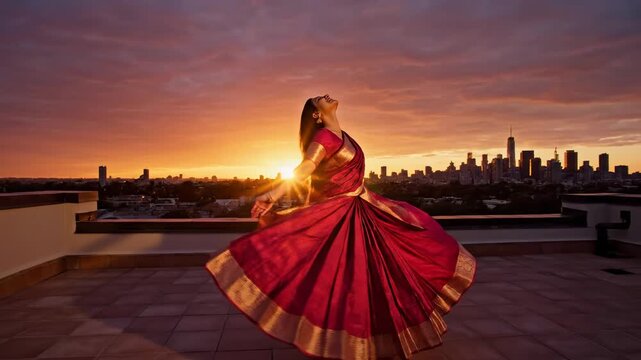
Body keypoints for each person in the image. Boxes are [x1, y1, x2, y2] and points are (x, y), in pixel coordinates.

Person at [204, 94, 477, 359]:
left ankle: (367, 342)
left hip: (364, 208)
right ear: (316, 114)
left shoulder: (346, 137)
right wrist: (272, 194)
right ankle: (351, 343)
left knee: (378, 275)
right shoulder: (324, 137)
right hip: (343, 214)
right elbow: (306, 167)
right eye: (318, 98)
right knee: (352, 281)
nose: (325, 95)